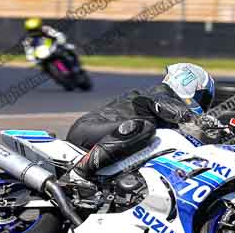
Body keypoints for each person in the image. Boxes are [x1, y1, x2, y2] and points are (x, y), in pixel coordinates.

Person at [66, 63, 221, 182]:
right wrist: (192, 118)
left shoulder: (172, 119)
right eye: (202, 97)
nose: (203, 104)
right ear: (189, 84)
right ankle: (79, 173)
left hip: (111, 143)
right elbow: (162, 103)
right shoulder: (160, 93)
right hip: (88, 130)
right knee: (144, 127)